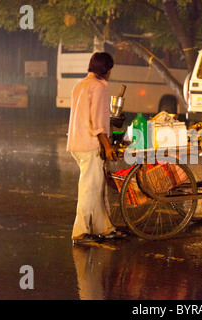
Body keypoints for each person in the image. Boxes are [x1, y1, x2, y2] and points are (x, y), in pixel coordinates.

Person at [67, 52, 126, 244]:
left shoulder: (81, 84)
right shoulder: (99, 87)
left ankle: (104, 228)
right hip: (90, 144)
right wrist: (107, 146)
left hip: (77, 142)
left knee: (97, 187)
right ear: (106, 70)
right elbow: (98, 121)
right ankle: (80, 232)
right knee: (89, 190)